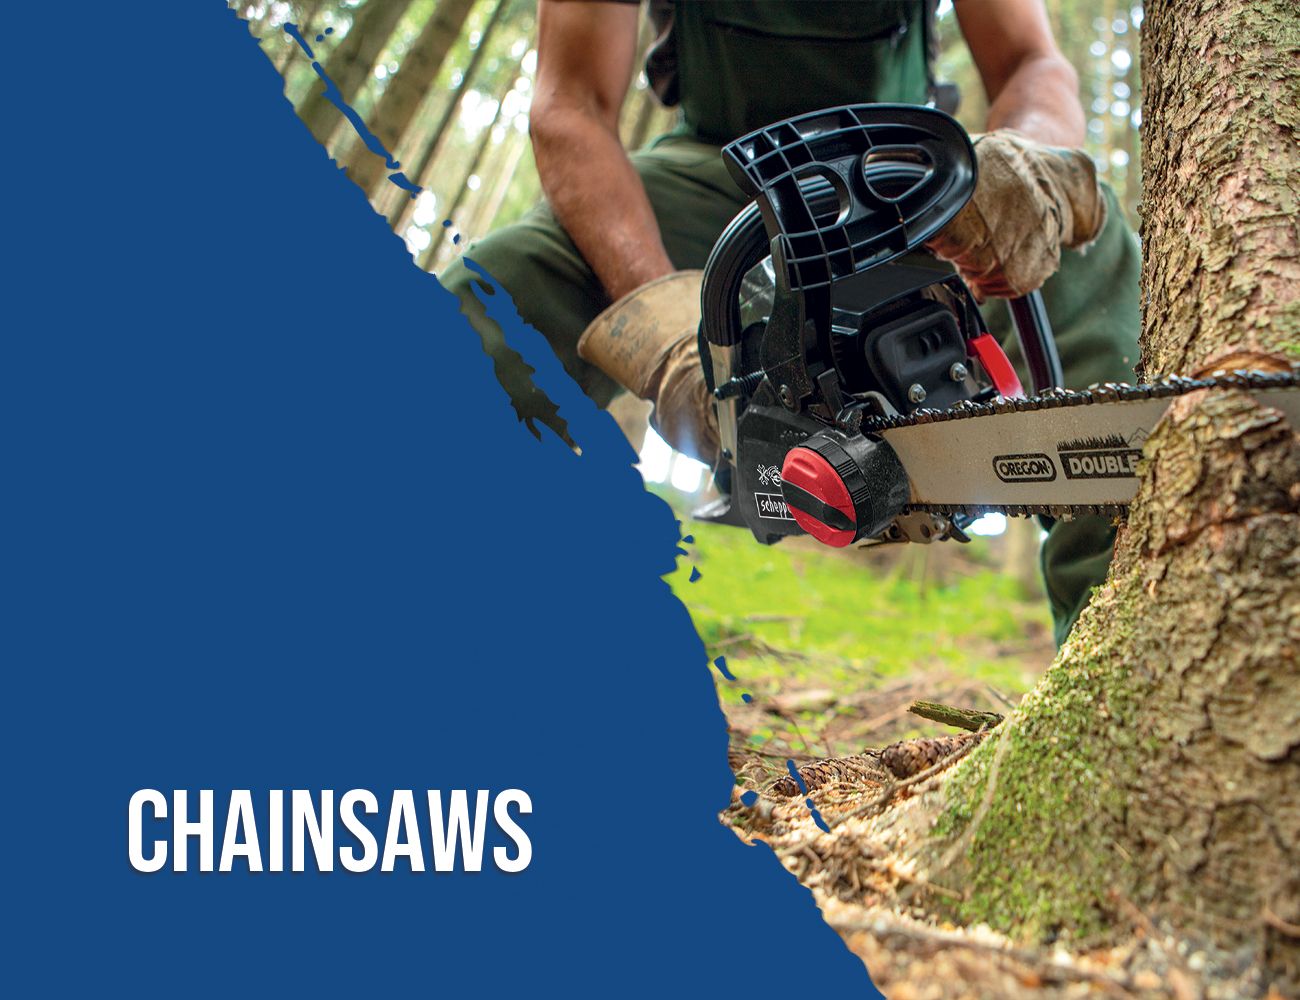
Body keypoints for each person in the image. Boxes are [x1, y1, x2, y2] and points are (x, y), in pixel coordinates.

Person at [440, 0, 1141, 645]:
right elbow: (571, 105)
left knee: (1084, 253)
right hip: (713, 173)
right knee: (497, 298)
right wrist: (661, 322)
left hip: (895, 173)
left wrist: (1025, 157)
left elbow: (1031, 60)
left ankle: (1126, 654)